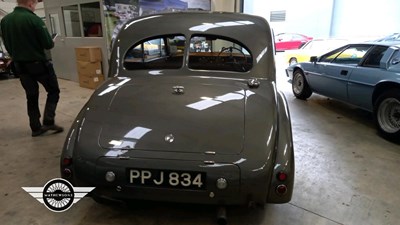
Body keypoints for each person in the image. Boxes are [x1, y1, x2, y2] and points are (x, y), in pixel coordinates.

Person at [0, 0, 63, 137]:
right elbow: (47, 44)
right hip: (38, 65)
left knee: (31, 95)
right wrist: (51, 41)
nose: (35, 6)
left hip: (19, 66)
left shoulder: (5, 21)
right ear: (30, 3)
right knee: (53, 91)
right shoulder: (34, 19)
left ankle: (35, 127)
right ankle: (48, 120)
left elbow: (6, 42)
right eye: (35, 3)